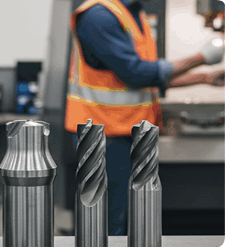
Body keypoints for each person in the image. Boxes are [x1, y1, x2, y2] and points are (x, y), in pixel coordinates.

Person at [64, 0, 225, 236]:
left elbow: (148, 80)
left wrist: (204, 78)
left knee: (129, 221)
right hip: (101, 138)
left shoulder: (135, 14)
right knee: (108, 226)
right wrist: (201, 57)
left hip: (132, 135)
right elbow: (135, 73)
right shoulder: (99, 15)